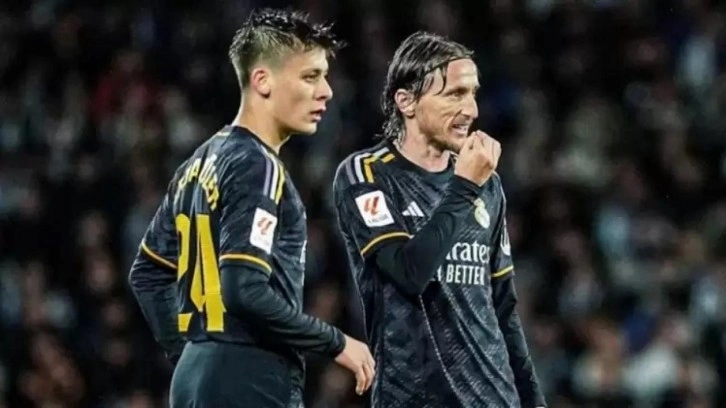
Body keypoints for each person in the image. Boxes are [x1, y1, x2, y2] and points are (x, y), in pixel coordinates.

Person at [128, 8, 375, 408]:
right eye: (310, 76)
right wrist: (337, 342)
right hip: (250, 375)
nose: (326, 91)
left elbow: (147, 274)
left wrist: (194, 353)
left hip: (194, 378)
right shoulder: (259, 165)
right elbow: (243, 288)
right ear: (262, 80)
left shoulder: (197, 164)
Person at [333, 31, 546, 408]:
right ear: (406, 101)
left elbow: (503, 308)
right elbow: (408, 273)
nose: (472, 110)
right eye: (455, 94)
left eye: (473, 94)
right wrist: (464, 187)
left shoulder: (487, 184)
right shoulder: (366, 174)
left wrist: (533, 402)